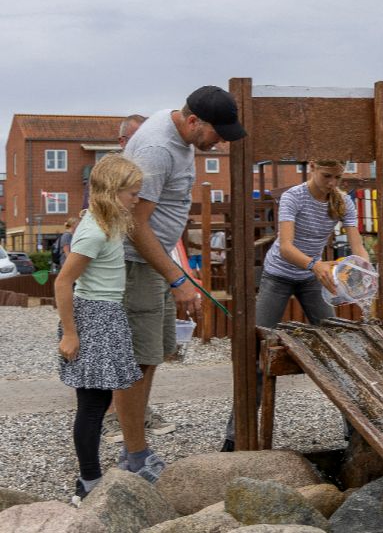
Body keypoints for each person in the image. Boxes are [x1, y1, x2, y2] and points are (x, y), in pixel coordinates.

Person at [114, 85, 247, 477]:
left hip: (154, 261)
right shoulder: (158, 149)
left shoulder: (178, 132)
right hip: (135, 262)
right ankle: (135, 456)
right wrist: (178, 279)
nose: (221, 141)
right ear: (192, 121)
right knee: (137, 359)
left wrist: (176, 268)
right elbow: (135, 224)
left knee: (155, 352)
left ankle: (136, 447)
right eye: (217, 133)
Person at [222, 159, 369, 451]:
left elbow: (357, 247)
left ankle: (354, 432)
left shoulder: (342, 202)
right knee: (256, 353)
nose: (332, 183)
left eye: (338, 177)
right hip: (280, 274)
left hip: (313, 277)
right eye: (327, 176)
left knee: (335, 348)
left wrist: (364, 270)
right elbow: (287, 246)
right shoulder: (294, 197)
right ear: (312, 167)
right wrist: (315, 265)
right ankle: (235, 436)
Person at [55, 154, 144, 505]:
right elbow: (63, 282)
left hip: (108, 314)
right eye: (133, 193)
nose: (137, 198)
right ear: (112, 191)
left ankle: (90, 476)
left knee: (101, 397)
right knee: (92, 404)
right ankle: (88, 480)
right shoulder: (92, 231)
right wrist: (69, 332)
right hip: (92, 318)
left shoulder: (110, 222)